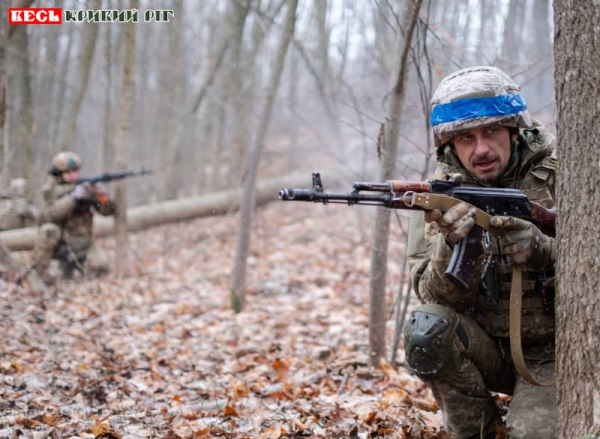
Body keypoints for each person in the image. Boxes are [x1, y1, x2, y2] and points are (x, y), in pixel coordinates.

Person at [404, 66, 556, 439]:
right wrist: (450, 245)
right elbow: (430, 296)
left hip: (557, 353)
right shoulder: (440, 195)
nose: (482, 149)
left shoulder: (562, 174)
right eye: (466, 139)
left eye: (491, 132)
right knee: (426, 328)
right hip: (487, 347)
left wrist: (546, 251)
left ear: (513, 129)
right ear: (450, 145)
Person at [26, 152, 114, 292]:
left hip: (82, 240)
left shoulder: (86, 188)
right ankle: (36, 276)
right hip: (59, 240)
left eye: (75, 172)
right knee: (48, 230)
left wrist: (102, 196)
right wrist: (73, 198)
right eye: (68, 172)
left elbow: (108, 212)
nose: (73, 175)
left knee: (101, 266)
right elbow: (48, 216)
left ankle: (72, 272)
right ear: (59, 173)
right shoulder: (50, 190)